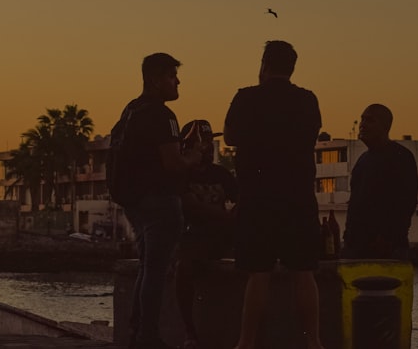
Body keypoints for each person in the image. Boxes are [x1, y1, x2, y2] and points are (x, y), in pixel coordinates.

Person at [223, 40, 325, 349]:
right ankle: (313, 342)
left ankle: (246, 342)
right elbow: (311, 133)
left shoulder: (246, 98)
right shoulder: (307, 100)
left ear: (264, 65)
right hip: (298, 196)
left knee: (259, 273)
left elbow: (229, 136)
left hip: (257, 196)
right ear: (292, 67)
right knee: (304, 272)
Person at [110, 52, 203, 349]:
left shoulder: (131, 111)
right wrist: (195, 155)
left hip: (135, 203)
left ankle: (138, 330)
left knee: (146, 267)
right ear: (154, 79)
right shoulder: (164, 116)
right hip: (160, 204)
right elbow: (173, 164)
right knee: (156, 270)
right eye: (171, 76)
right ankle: (148, 336)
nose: (178, 82)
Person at [175, 119, 238, 349]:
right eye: (202, 143)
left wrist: (236, 215)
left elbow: (243, 199)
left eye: (210, 143)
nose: (208, 148)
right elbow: (190, 206)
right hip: (192, 238)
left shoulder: (222, 174)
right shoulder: (181, 175)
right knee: (184, 267)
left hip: (221, 238)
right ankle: (190, 331)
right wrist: (226, 217)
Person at [342, 104, 418, 259]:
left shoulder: (401, 157)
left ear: (385, 126)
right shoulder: (362, 161)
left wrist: (387, 238)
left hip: (385, 250)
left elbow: (406, 203)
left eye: (370, 120)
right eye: (362, 120)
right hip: (357, 248)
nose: (362, 125)